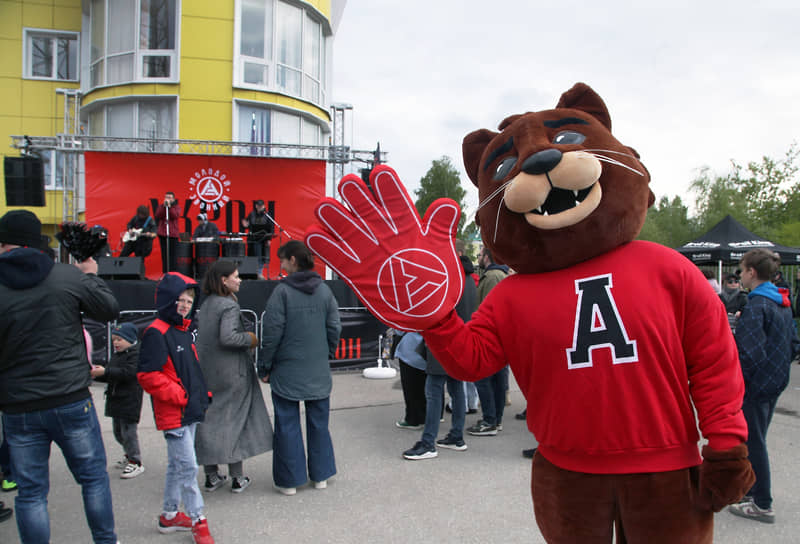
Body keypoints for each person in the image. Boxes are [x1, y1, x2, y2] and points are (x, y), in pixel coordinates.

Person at [0, 209, 120, 543]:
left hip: (18, 406)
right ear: (36, 243)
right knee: (93, 479)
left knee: (31, 493)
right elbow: (109, 309)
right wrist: (91, 275)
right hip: (69, 399)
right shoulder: (66, 276)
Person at [137, 272, 215, 543]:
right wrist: (181, 396)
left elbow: (190, 368)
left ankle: (169, 516)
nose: (184, 304)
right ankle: (198, 519)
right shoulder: (157, 332)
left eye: (189, 300)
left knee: (177, 465)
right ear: (168, 300)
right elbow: (148, 375)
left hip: (187, 408)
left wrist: (200, 394)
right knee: (187, 467)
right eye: (180, 299)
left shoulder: (182, 330)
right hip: (175, 412)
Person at [257, 241, 341, 495]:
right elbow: (334, 327)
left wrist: (265, 365)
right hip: (317, 369)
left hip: (287, 370)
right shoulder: (325, 291)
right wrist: (325, 353)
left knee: (287, 424)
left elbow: (271, 334)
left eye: (282, 260)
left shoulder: (281, 293)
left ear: (293, 260)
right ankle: (321, 476)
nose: (280, 264)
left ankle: (290, 481)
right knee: (319, 423)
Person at [729, 249, 800, 524]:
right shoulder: (781, 300)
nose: (741, 275)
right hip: (776, 381)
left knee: (753, 441)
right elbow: (793, 343)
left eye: (742, 270)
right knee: (756, 437)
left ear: (752, 272)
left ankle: (762, 502)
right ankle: (754, 491)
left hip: (756, 386)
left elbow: (748, 353)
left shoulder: (757, 305)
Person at [195, 260, 273, 494]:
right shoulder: (228, 306)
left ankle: (211, 476)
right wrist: (251, 339)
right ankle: (237, 477)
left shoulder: (208, 303)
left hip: (209, 372)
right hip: (233, 373)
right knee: (235, 422)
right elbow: (228, 337)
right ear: (223, 280)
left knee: (209, 421)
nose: (240, 280)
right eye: (236, 276)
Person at [403, 261, 477, 460]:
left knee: (434, 392)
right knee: (456, 389)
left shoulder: (450, 279)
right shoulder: (470, 280)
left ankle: (428, 443)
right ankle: (456, 436)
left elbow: (436, 312)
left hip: (443, 344)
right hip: (460, 343)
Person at [90, 322, 145, 479]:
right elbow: (112, 374)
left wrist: (105, 371)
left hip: (129, 401)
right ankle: (129, 455)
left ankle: (136, 462)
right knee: (118, 433)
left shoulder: (135, 354)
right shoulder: (117, 355)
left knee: (129, 433)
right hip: (116, 400)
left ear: (130, 339)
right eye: (114, 339)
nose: (116, 343)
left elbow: (128, 373)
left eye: (119, 339)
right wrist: (99, 374)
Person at [467, 247, 509, 436]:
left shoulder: (492, 276)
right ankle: (496, 420)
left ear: (487, 257)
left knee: (484, 380)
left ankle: (490, 420)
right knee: (498, 381)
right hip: (500, 338)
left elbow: (491, 309)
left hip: (490, 338)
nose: (479, 258)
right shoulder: (501, 275)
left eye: (481, 255)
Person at [394, 331, 427, 430]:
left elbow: (400, 329)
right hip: (428, 348)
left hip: (410, 349)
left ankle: (413, 419)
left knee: (410, 387)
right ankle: (427, 416)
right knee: (425, 386)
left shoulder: (410, 314)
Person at [155, 191, 180, 274]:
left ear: (173, 199)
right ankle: (165, 273)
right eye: (166, 197)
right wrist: (164, 207)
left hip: (172, 234)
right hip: (163, 234)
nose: (167, 199)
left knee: (173, 255)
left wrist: (170, 207)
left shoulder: (176, 207)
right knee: (164, 255)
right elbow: (158, 214)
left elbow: (174, 216)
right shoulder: (161, 206)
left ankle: (173, 273)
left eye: (169, 197)